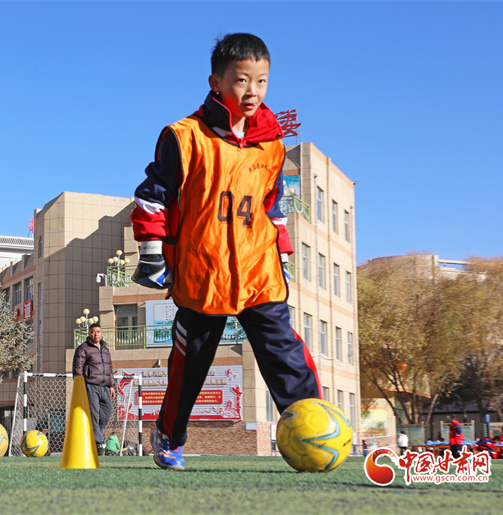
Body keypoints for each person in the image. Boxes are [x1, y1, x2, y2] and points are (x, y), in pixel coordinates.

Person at [131, 33, 321, 470]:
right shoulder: (183, 137)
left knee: (285, 354)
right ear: (216, 82)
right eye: (241, 80)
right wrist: (151, 254)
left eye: (262, 81)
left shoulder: (272, 144)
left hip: (259, 271)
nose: (253, 91)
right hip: (204, 272)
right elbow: (152, 196)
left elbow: (272, 207)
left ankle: (315, 430)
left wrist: (283, 257)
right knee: (191, 362)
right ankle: (170, 436)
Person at [72, 323, 116, 456]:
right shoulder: (83, 348)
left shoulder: (105, 349)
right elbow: (77, 368)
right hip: (90, 385)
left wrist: (111, 385)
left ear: (101, 333)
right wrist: (79, 385)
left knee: (106, 413)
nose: (95, 334)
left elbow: (109, 368)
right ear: (89, 334)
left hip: (105, 387)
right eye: (93, 332)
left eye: (98, 332)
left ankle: (91, 436)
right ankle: (98, 444)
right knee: (94, 414)